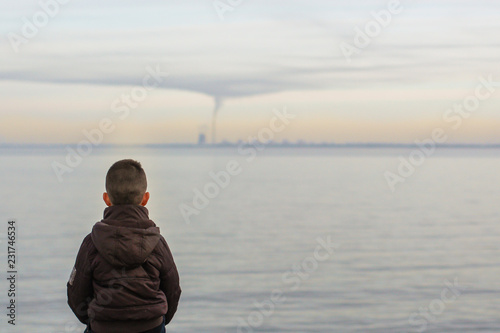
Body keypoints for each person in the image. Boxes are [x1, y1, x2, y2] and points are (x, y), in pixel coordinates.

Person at [67, 159, 181, 333]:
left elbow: (76, 295)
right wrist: (161, 320)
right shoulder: (157, 243)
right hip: (151, 327)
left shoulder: (91, 243)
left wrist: (93, 318)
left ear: (106, 198)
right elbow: (173, 290)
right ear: (145, 198)